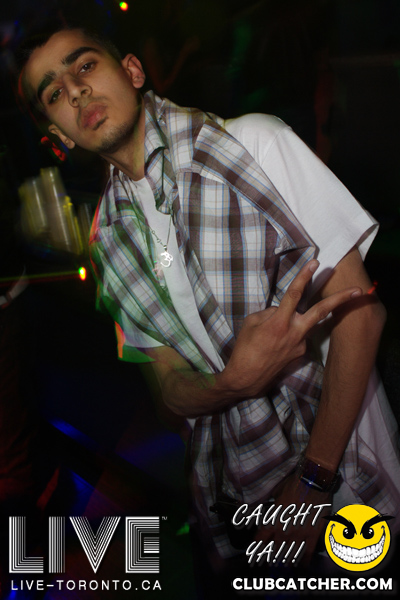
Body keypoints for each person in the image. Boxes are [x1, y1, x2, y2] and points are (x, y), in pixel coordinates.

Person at [18, 25, 400, 568]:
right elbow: (169, 392)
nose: (76, 91)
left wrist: (312, 487)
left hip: (344, 474)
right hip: (240, 492)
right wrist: (234, 381)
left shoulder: (254, 143)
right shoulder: (108, 241)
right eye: (55, 92)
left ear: (132, 71)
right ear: (60, 134)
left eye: (85, 66)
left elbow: (362, 313)